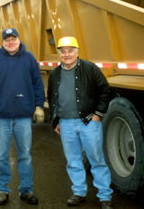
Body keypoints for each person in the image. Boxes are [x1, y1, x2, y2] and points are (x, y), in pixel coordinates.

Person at [0, 28, 45, 206]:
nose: (10, 42)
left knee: (25, 155)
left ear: (18, 39)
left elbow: (38, 83)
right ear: (2, 42)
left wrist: (39, 106)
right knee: (0, 156)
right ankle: (2, 190)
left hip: (24, 116)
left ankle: (26, 190)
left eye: (13, 38)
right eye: (6, 39)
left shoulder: (29, 58)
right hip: (1, 117)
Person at [47, 36, 113, 209]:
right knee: (73, 160)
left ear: (77, 52)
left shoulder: (89, 68)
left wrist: (98, 115)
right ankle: (79, 192)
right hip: (66, 124)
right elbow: (52, 97)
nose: (66, 54)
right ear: (59, 54)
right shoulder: (55, 74)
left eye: (70, 50)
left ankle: (105, 196)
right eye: (63, 51)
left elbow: (105, 90)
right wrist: (55, 121)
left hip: (88, 122)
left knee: (96, 159)